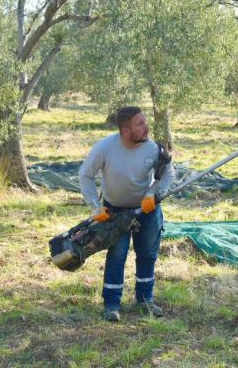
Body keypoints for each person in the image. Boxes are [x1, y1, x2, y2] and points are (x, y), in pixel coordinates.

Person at [79, 106, 176, 322]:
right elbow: (85, 175)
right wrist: (95, 207)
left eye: (145, 122)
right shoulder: (105, 148)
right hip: (114, 212)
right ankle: (112, 305)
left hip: (147, 211)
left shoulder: (152, 149)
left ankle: (145, 300)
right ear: (125, 130)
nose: (146, 127)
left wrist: (154, 193)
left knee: (148, 255)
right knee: (117, 255)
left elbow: (169, 173)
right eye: (140, 124)